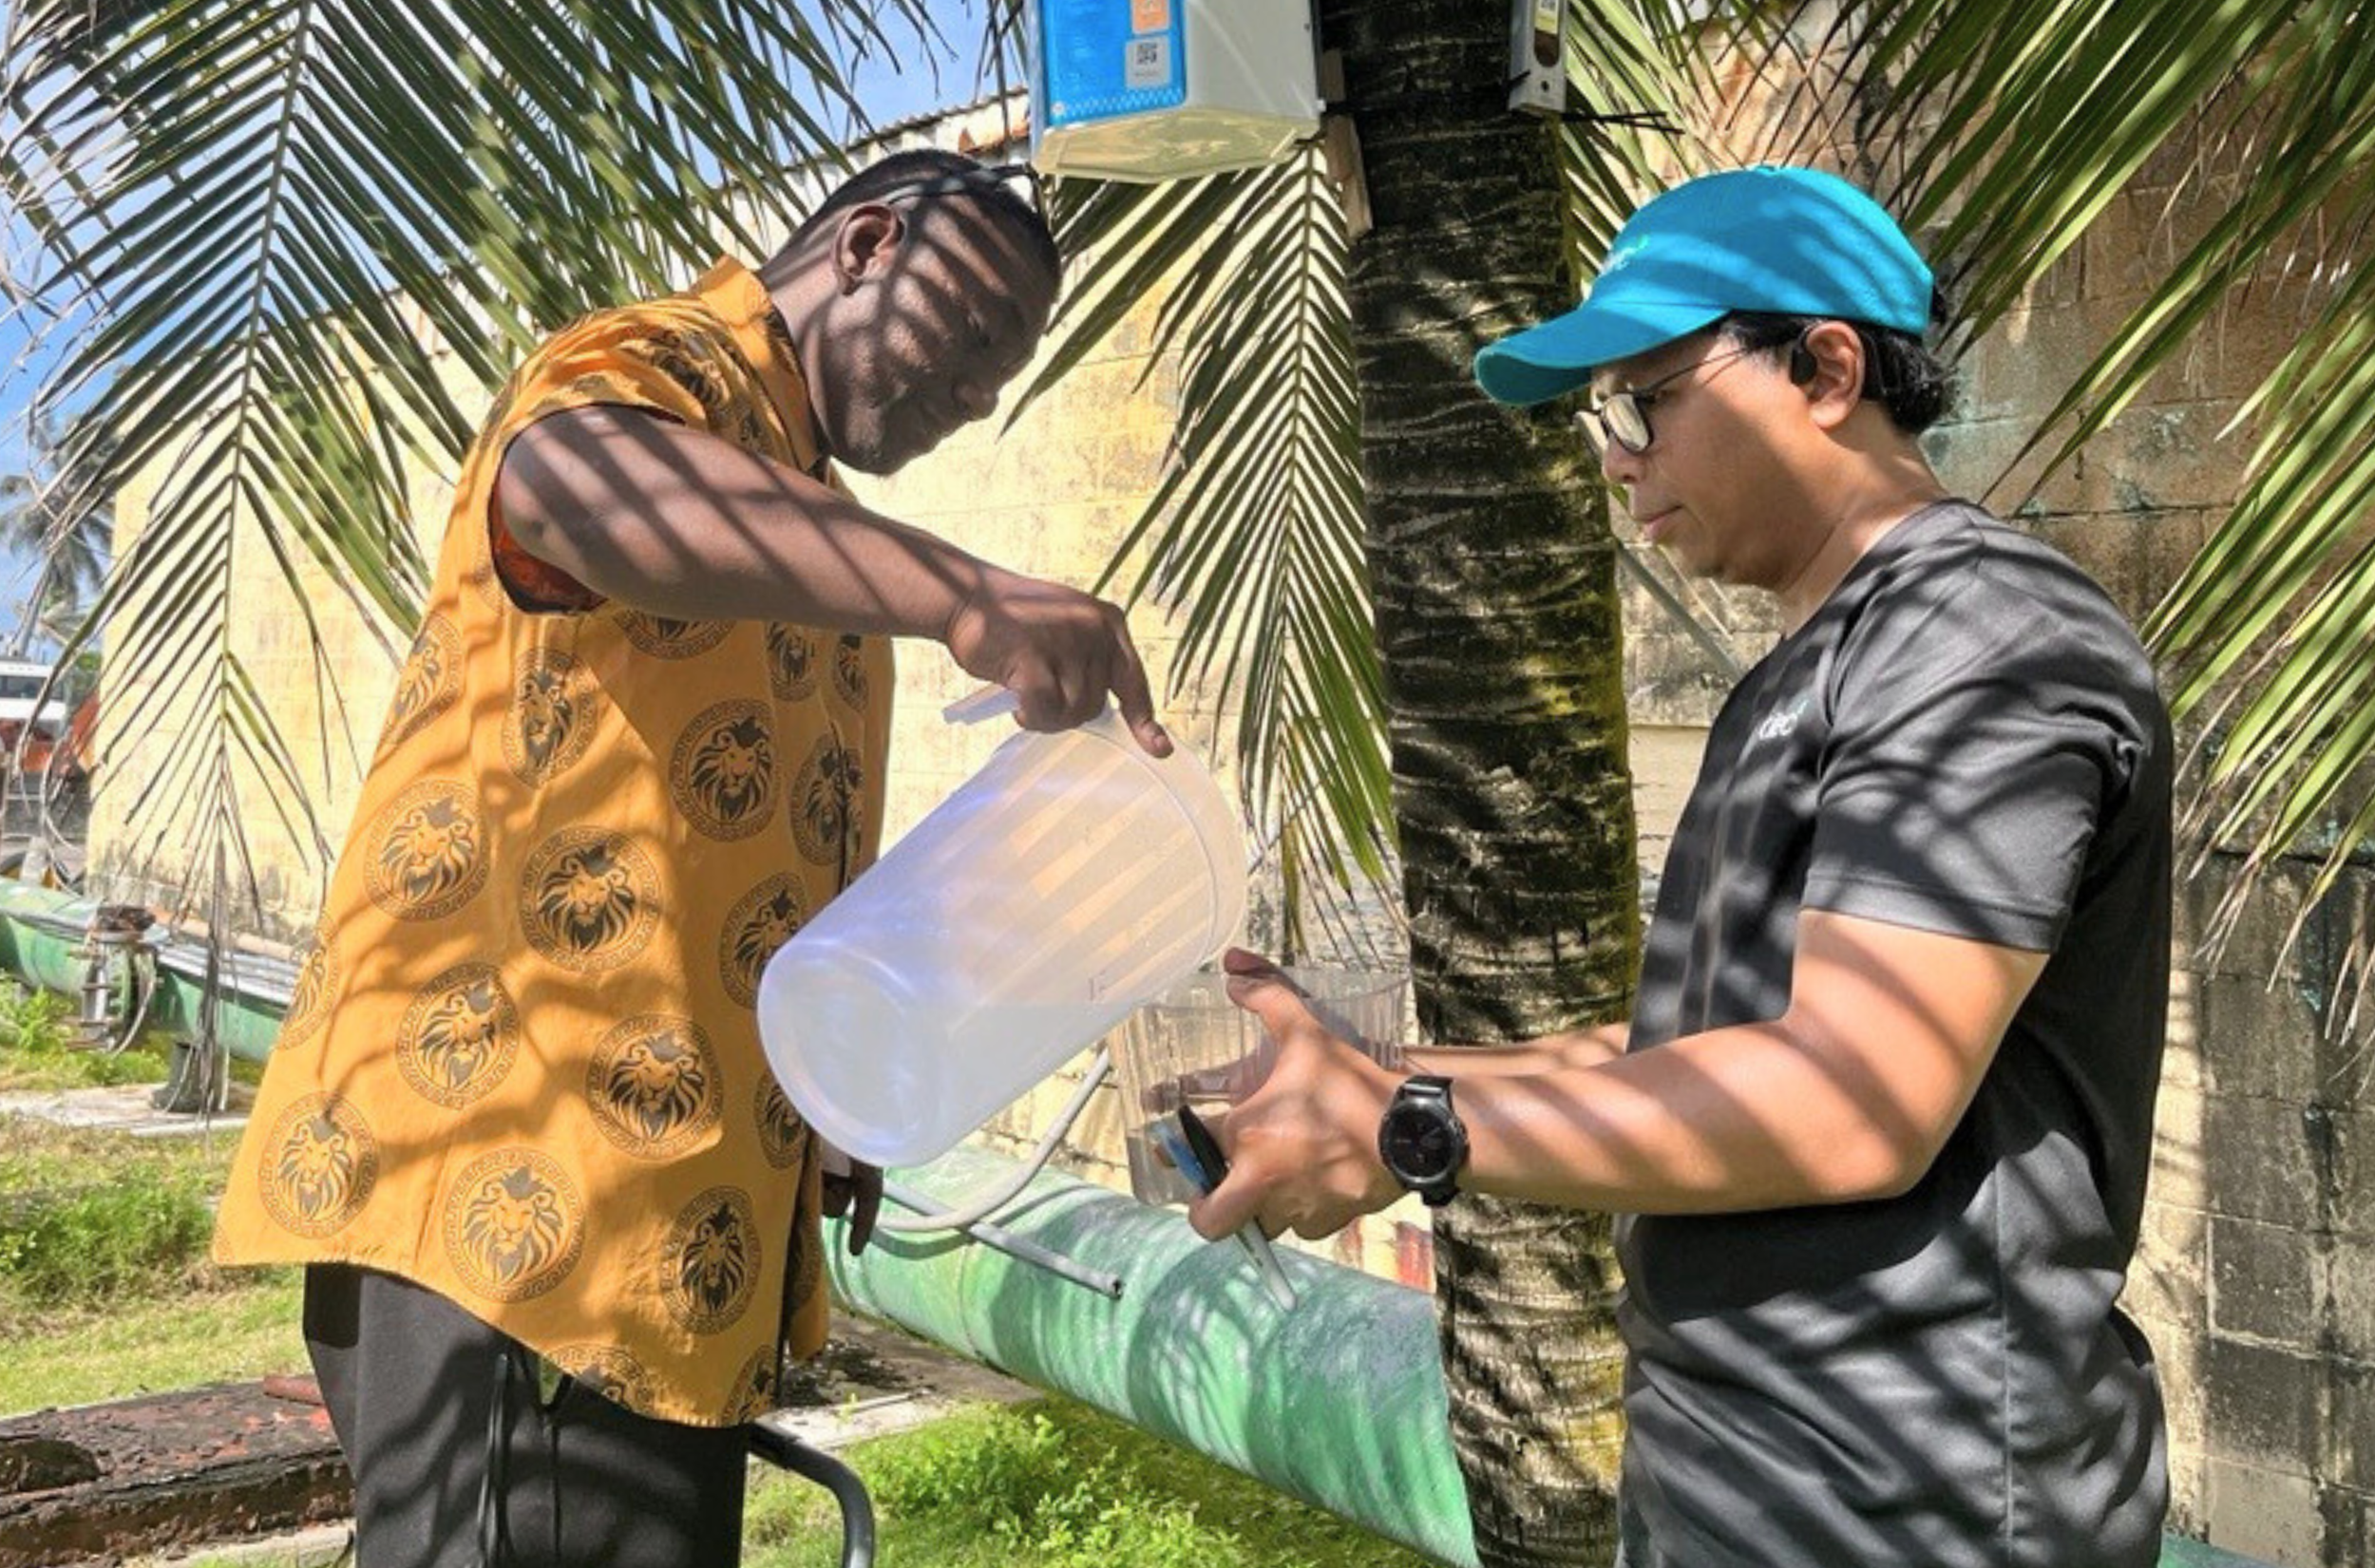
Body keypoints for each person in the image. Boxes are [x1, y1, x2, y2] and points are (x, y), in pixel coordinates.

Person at [1193, 166, 2172, 1567]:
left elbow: (1852, 1097)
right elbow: (1695, 1045)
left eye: (1644, 399)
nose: (1614, 455)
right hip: (1737, 1486)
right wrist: (1382, 1076)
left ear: (1825, 368)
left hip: (1921, 1511)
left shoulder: (1987, 640)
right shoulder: (1793, 680)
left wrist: (1414, 1137)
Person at [214, 149, 1170, 1567]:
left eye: (999, 375)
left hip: (664, 1237)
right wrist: (967, 592)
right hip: (523, 1214)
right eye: (970, 339)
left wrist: (823, 1075)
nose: (975, 397)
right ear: (863, 243)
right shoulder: (657, 365)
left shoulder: (809, 509)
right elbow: (570, 487)